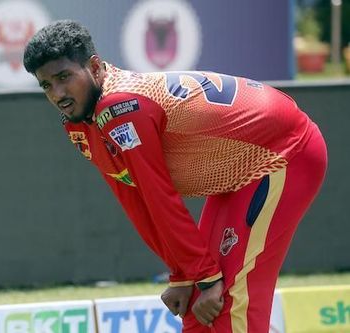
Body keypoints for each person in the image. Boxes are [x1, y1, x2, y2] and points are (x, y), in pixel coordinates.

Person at [23, 20, 327, 332]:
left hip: (284, 154)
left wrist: (205, 275)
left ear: (96, 67)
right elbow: (133, 197)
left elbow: (159, 197)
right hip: (238, 173)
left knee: (225, 304)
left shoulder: (121, 106)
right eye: (47, 85)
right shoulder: (80, 120)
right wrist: (182, 274)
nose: (58, 93)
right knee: (202, 306)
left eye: (64, 77)